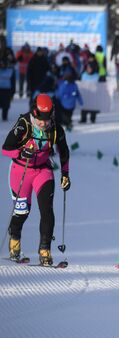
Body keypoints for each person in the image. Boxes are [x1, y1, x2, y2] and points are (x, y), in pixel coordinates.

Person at [1, 94, 70, 265]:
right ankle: (14, 241)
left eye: (47, 119)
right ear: (34, 112)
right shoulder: (24, 124)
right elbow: (5, 148)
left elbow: (64, 152)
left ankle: (45, 251)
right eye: (40, 119)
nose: (43, 123)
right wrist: (20, 152)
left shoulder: (55, 129)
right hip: (20, 170)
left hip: (42, 171)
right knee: (22, 212)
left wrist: (65, 175)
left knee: (47, 211)